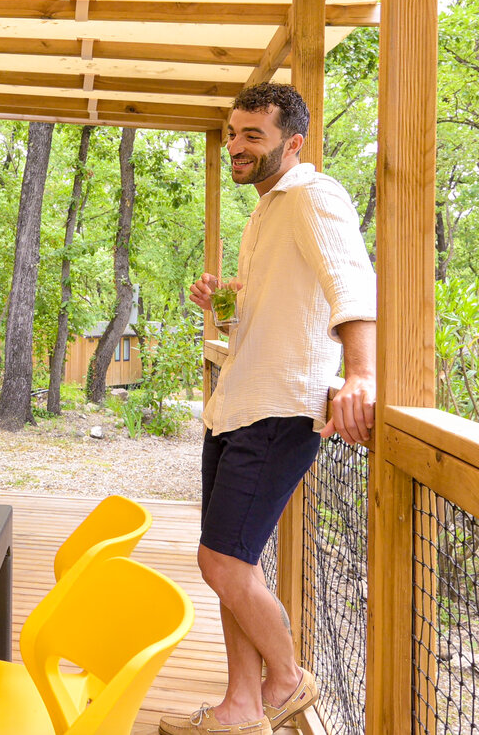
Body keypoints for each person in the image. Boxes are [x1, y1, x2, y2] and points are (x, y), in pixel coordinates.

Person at [160, 83, 376, 735]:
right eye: (233, 133)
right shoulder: (265, 212)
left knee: (219, 562)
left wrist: (361, 373)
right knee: (236, 564)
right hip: (235, 405)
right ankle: (241, 705)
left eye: (253, 134)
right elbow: (273, 312)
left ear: (293, 142)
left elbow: (351, 282)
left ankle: (285, 679)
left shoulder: (314, 195)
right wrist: (222, 302)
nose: (237, 146)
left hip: (280, 411)